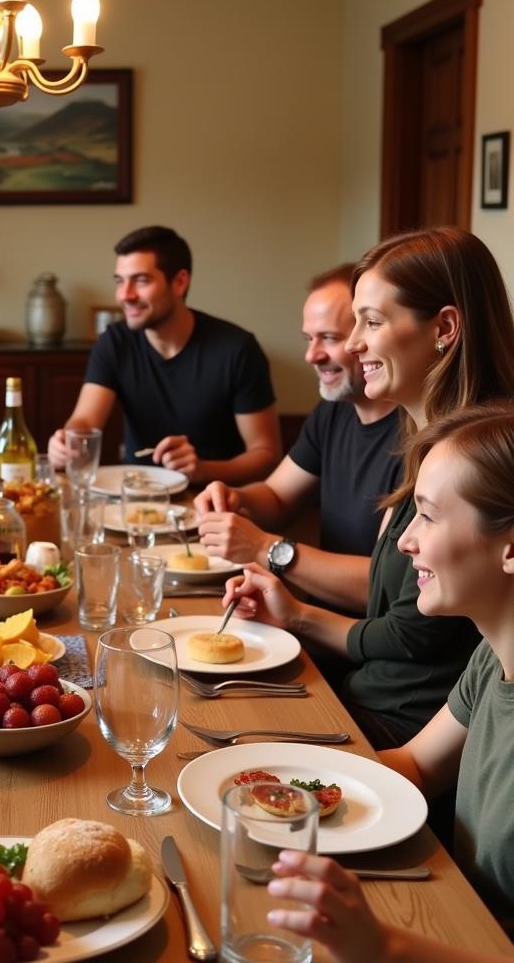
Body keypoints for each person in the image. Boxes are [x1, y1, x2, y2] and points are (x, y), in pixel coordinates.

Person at [223, 227, 514, 748]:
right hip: (367, 695)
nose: (352, 344)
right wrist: (295, 613)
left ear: (445, 327)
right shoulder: (420, 441)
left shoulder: (477, 459)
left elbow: (409, 636)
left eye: (371, 322)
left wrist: (287, 584)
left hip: (406, 725)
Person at [267, 401, 514, 956]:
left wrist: (381, 946)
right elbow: (415, 766)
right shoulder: (491, 658)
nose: (405, 542)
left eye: (427, 515)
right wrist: (278, 780)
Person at [195, 265, 400, 612]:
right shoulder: (333, 411)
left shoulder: (420, 435)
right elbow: (275, 497)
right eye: (309, 339)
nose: (311, 355)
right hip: (312, 624)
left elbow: (381, 586)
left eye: (330, 338)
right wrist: (235, 498)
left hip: (365, 645)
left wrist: (263, 547)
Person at [47, 225, 280, 484]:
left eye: (141, 280)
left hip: (214, 500)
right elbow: (85, 419)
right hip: (133, 496)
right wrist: (68, 441)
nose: (125, 295)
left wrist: (202, 470)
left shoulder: (237, 349)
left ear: (180, 282)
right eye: (120, 281)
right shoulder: (114, 342)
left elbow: (266, 455)